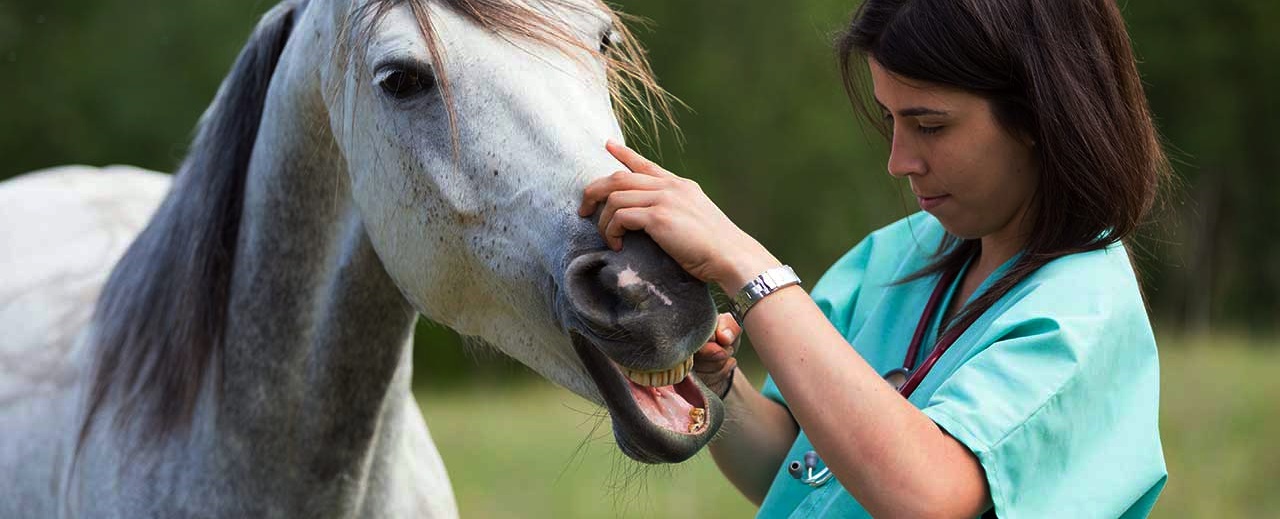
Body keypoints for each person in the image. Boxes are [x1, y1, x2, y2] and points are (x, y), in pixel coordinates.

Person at [579, 0, 1169, 517]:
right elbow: (802, 477)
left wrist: (745, 266)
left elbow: (927, 495)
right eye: (890, 119)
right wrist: (722, 383)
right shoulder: (898, 252)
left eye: (930, 126)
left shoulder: (1080, 313)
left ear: (1042, 115)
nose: (899, 160)